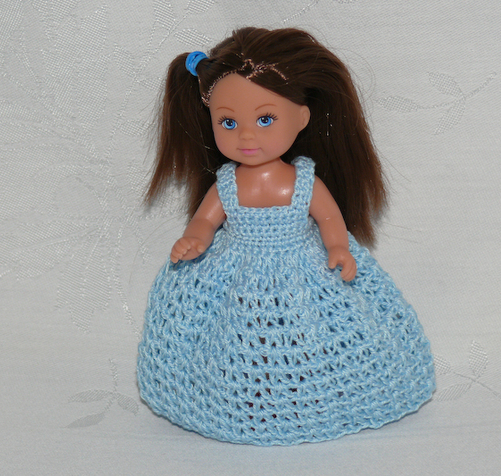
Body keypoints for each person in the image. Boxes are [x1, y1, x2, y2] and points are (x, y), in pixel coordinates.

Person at [137, 27, 435, 445]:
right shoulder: (228, 184)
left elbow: (330, 219)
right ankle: (243, 394)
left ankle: (311, 393)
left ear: (302, 118)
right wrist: (196, 240)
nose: (246, 136)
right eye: (228, 122)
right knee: (242, 338)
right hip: (235, 273)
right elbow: (205, 220)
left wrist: (338, 248)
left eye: (265, 119)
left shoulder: (302, 182)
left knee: (309, 336)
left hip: (302, 270)